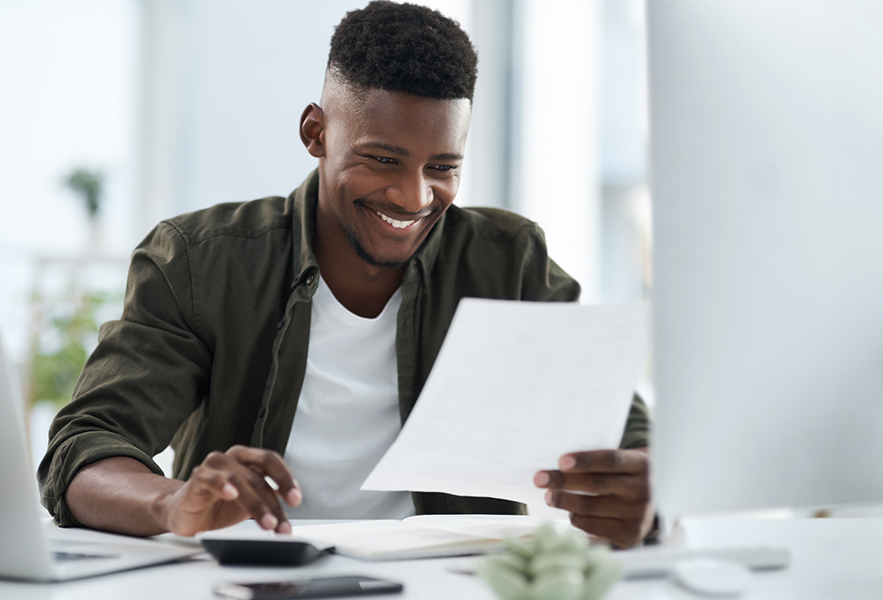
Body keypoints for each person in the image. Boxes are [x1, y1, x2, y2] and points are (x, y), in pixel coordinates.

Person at [37, 1, 655, 549]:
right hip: (250, 580)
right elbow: (83, 449)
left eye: (442, 167)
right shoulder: (200, 261)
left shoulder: (507, 259)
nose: (414, 197)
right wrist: (173, 504)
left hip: (445, 586)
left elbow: (625, 436)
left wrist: (646, 495)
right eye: (382, 159)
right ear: (316, 132)